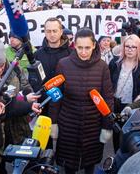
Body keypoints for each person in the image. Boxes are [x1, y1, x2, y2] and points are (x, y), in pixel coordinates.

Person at [49, 28, 114, 174]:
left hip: (93, 124)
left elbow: (107, 97)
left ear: (94, 45)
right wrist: (53, 122)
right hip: (67, 124)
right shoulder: (63, 64)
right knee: (68, 166)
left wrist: (107, 126)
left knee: (90, 165)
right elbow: (56, 96)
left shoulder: (103, 67)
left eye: (87, 47)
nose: (83, 52)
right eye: (79, 47)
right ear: (74, 46)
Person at [109, 34, 140, 151]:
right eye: (127, 46)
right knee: (116, 133)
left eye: (133, 47)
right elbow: (108, 81)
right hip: (116, 103)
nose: (130, 49)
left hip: (132, 105)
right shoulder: (115, 62)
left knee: (130, 135)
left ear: (139, 48)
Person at [34, 17, 71, 88]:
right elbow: (34, 79)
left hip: (67, 97)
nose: (52, 34)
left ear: (61, 32)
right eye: (48, 31)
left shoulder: (71, 53)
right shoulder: (37, 54)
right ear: (44, 32)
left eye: (55, 31)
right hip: (44, 97)